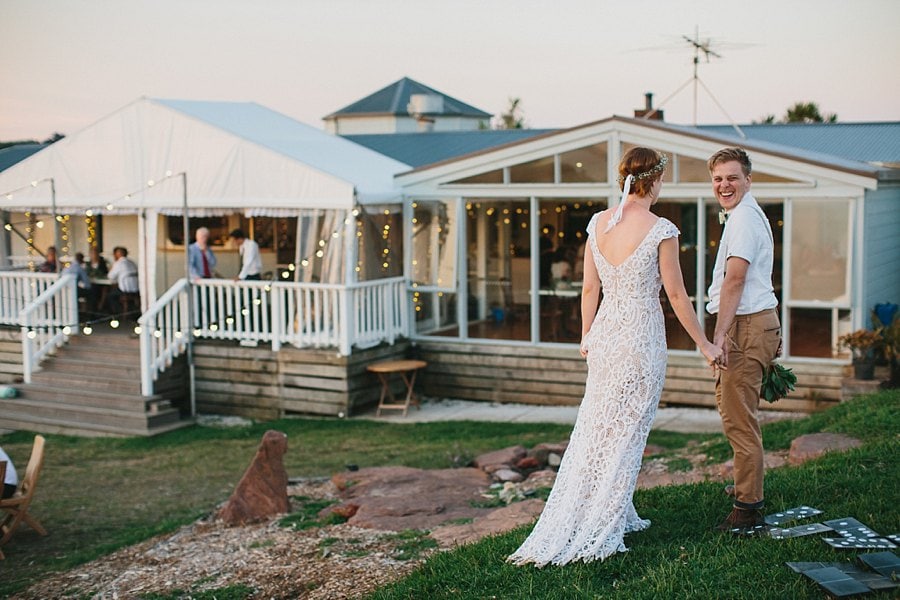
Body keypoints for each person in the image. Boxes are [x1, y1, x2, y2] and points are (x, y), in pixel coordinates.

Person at [508, 147, 722, 567]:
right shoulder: (661, 229)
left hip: (606, 337)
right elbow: (676, 294)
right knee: (626, 434)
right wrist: (704, 344)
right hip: (640, 339)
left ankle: (606, 511)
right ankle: (602, 522)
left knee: (600, 429)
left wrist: (586, 335)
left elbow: (590, 289)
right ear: (654, 180)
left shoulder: (599, 223)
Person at [705, 147, 781, 532]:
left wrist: (720, 335)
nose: (724, 185)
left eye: (732, 177)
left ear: (748, 180)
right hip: (754, 321)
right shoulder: (745, 215)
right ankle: (745, 484)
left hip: (745, 325)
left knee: (738, 418)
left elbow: (735, 279)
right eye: (718, 179)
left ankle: (748, 507)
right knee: (738, 411)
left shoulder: (744, 220)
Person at [106, 246, 139, 314]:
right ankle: (132, 312)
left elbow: (110, 276)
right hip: (136, 290)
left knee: (110, 296)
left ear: (118, 254)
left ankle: (119, 314)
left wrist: (110, 269)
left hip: (124, 290)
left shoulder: (119, 263)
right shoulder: (132, 263)